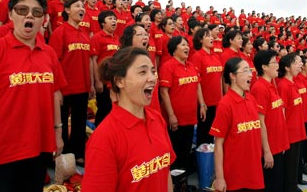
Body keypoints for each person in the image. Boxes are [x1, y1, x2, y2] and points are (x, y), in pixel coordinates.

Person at [0, 0, 66, 191]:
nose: (29, 15)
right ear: (11, 14)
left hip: (39, 150)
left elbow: (54, 97)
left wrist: (57, 135)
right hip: (3, 153)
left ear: (44, 20)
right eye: (22, 10)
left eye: (36, 12)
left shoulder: (48, 54)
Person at [82, 47, 175, 191]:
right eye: (142, 72)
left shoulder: (157, 119)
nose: (152, 78)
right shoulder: (104, 138)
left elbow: (165, 172)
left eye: (152, 71)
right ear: (120, 81)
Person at [49, 0, 92, 166]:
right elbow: (54, 62)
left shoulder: (84, 34)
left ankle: (78, 154)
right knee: (59, 122)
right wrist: (57, 88)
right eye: (77, 6)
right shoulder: (60, 32)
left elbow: (88, 61)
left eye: (83, 6)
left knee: (79, 122)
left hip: (82, 86)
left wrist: (91, 83)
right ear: (67, 10)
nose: (82, 9)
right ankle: (62, 155)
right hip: (65, 87)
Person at [210, 57, 264, 191]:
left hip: (254, 171)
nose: (250, 74)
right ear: (232, 76)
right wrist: (220, 178)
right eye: (245, 71)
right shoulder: (225, 104)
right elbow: (218, 145)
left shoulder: (251, 99)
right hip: (235, 176)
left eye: (250, 71)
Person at [159, 36, 206, 172]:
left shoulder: (191, 65)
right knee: (175, 152)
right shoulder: (168, 66)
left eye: (187, 45)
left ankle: (183, 180)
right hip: (175, 119)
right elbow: (163, 92)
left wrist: (202, 104)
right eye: (183, 45)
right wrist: (171, 115)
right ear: (174, 49)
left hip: (190, 117)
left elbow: (197, 85)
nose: (187, 47)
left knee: (186, 149)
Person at [252, 50, 289, 192]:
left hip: (279, 144)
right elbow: (260, 122)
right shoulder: (260, 88)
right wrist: (267, 151)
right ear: (264, 67)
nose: (277, 65)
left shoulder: (272, 85)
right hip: (270, 148)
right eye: (274, 62)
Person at [277, 53, 306, 192]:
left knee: (295, 163)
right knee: (289, 165)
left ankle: (293, 186)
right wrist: (282, 137)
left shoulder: (293, 83)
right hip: (289, 133)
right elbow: (281, 113)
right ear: (287, 67)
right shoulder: (283, 86)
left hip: (297, 131)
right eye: (297, 62)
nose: (301, 65)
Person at [190, 28, 223, 146]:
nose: (211, 38)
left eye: (211, 36)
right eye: (207, 36)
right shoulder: (197, 56)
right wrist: (202, 104)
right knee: (204, 136)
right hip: (206, 104)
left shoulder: (215, 56)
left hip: (218, 102)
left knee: (215, 136)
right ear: (200, 39)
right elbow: (197, 82)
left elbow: (219, 78)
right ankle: (203, 162)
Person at [90, 10, 120, 126]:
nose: (114, 21)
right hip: (104, 81)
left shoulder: (117, 38)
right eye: (110, 19)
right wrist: (97, 81)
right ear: (102, 23)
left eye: (114, 19)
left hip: (116, 82)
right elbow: (93, 60)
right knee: (104, 110)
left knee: (115, 110)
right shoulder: (97, 37)